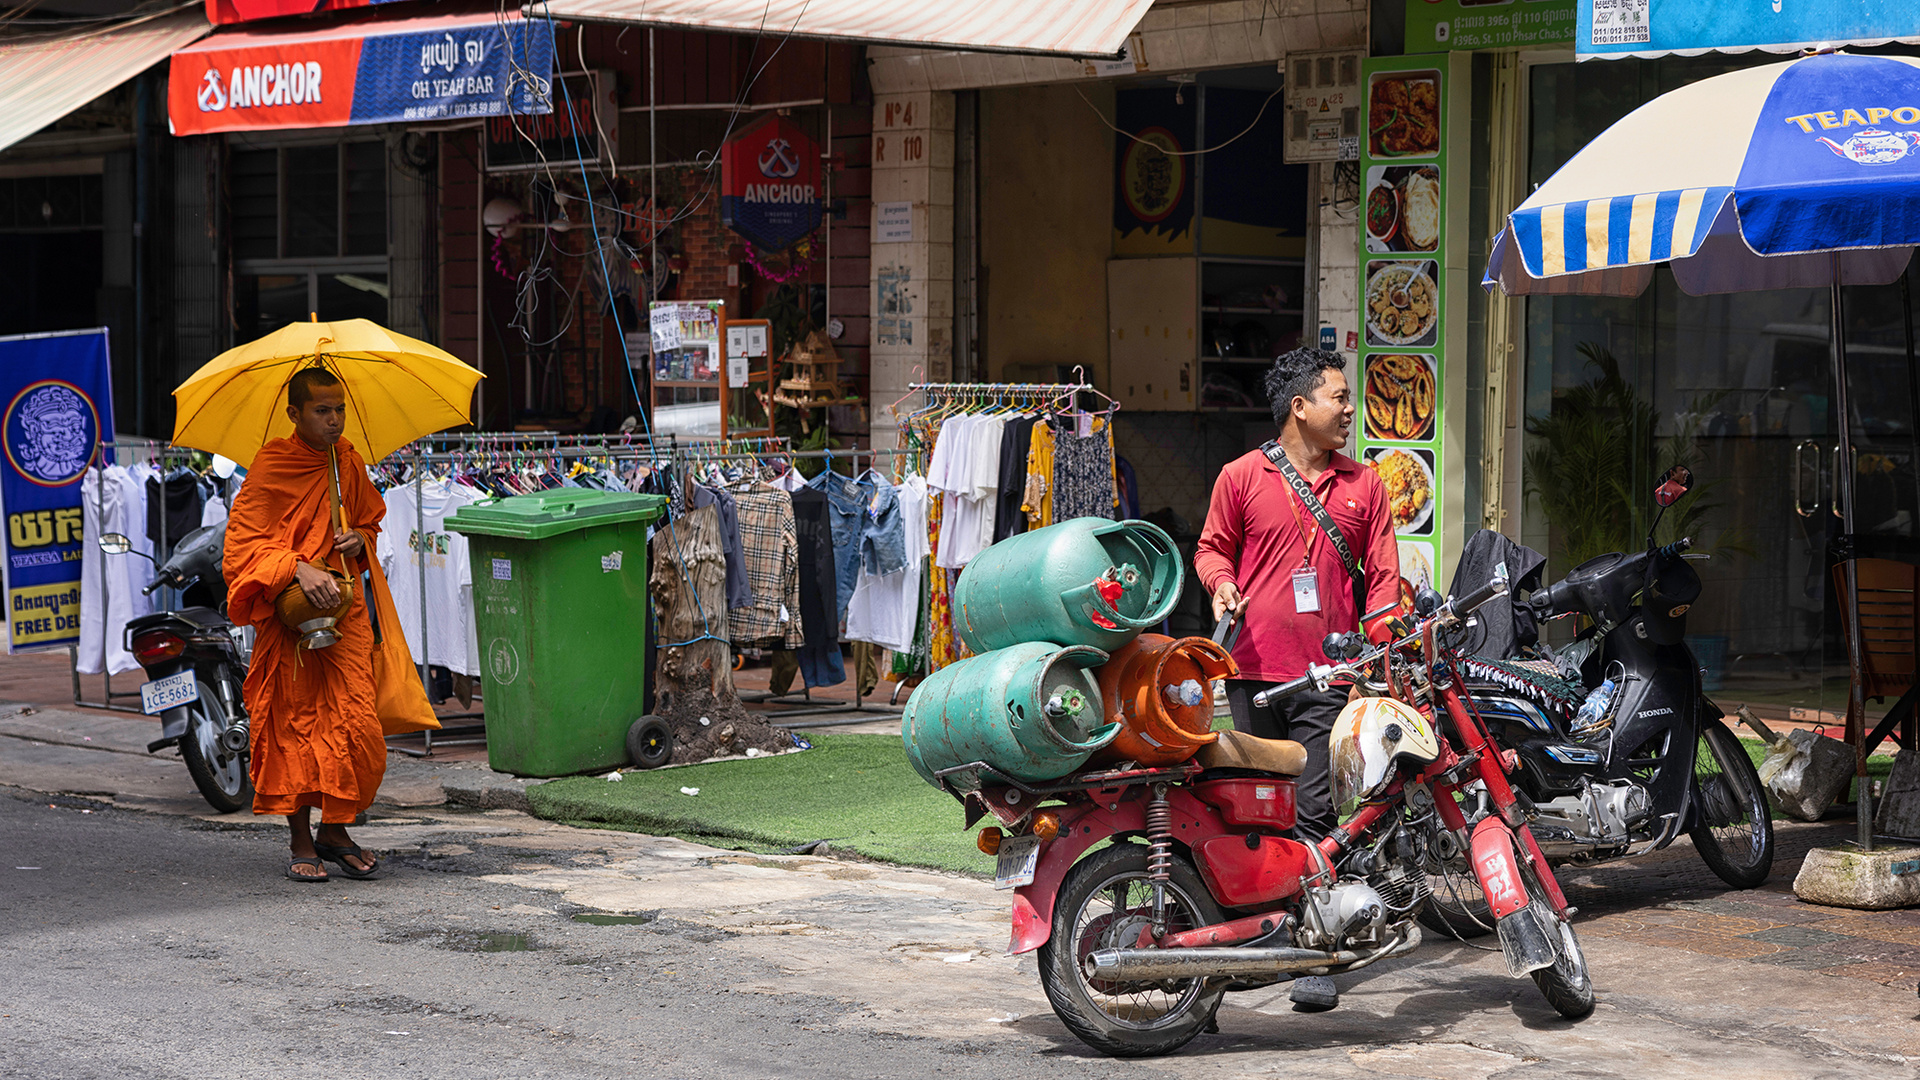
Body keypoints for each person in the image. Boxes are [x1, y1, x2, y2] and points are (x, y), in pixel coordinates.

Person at [1194, 347, 1400, 1012]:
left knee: (1313, 812)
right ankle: (1257, 931)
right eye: (1338, 397)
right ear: (1298, 408)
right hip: (1250, 675)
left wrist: (1379, 654)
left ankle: (1317, 948)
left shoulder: (1365, 485)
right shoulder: (1240, 477)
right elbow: (1211, 548)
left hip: (1327, 679)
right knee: (1255, 810)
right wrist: (1221, 585)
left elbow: (1385, 581)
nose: (1349, 410)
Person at [224, 367, 387, 882]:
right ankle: (300, 836)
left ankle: (335, 830)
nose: (334, 420)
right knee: (292, 724)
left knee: (356, 723)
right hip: (290, 617)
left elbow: (370, 522)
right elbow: (242, 548)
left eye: (339, 409)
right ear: (295, 414)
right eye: (322, 411)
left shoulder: (349, 463)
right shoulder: (273, 465)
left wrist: (358, 539)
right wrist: (297, 565)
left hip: (343, 613)